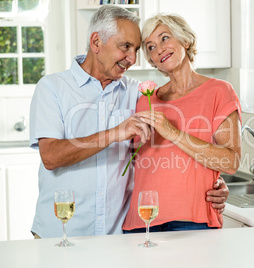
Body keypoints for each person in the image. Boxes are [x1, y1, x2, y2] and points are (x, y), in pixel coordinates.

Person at [29, 5, 228, 239]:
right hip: (61, 230)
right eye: (125, 47)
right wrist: (115, 132)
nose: (132, 59)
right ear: (96, 43)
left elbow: (163, 151)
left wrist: (211, 180)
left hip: (117, 235)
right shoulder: (52, 88)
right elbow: (51, 157)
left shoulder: (138, 93)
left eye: (136, 50)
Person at [123, 13, 241, 233]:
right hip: (142, 219)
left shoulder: (219, 91)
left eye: (165, 38)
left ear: (185, 40)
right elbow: (135, 164)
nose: (158, 49)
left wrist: (173, 133)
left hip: (192, 219)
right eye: (150, 47)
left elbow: (231, 162)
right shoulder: (145, 100)